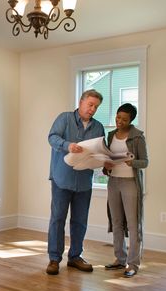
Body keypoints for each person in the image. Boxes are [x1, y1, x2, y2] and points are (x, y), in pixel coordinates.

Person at [46, 89, 105, 275]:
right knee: (57, 220)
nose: (92, 109)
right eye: (90, 105)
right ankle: (54, 259)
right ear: (81, 102)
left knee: (80, 221)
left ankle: (75, 257)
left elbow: (101, 150)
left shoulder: (98, 127)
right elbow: (52, 137)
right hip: (61, 179)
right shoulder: (64, 118)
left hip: (84, 182)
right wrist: (67, 145)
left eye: (96, 106)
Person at [102, 103, 148, 278]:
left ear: (131, 120)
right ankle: (119, 259)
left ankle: (133, 263)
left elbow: (145, 162)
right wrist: (106, 165)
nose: (119, 121)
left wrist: (132, 162)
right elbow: (108, 157)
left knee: (133, 224)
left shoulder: (138, 137)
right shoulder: (111, 135)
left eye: (124, 119)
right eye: (118, 117)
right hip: (113, 182)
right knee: (116, 222)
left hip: (130, 183)